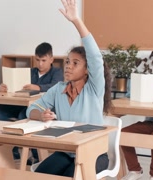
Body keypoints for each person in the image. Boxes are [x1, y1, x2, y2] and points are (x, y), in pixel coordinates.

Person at [25, 0, 112, 177]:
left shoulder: (94, 88)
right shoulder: (58, 89)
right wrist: (40, 115)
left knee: (73, 175)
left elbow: (95, 57)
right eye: (67, 62)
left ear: (87, 69)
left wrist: (76, 21)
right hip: (67, 151)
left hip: (95, 154)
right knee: (39, 175)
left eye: (75, 63)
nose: (68, 66)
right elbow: (32, 109)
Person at [0, 42, 64, 163]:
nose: (40, 64)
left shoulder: (57, 72)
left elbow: (55, 86)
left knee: (23, 115)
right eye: (37, 60)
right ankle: (11, 151)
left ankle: (33, 153)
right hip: (22, 104)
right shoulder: (31, 72)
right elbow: (17, 85)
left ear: (51, 59)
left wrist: (37, 87)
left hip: (41, 108)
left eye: (43, 60)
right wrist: (4, 86)